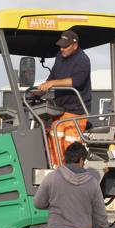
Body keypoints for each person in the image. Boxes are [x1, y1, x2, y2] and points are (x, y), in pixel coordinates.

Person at [33, 29, 92, 165]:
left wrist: (52, 83)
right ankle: (55, 172)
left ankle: (72, 174)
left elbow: (76, 81)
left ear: (75, 46)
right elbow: (52, 77)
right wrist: (40, 91)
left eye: (65, 46)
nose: (62, 49)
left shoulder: (83, 60)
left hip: (76, 111)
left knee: (71, 146)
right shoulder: (59, 57)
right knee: (54, 140)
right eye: (60, 46)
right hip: (60, 110)